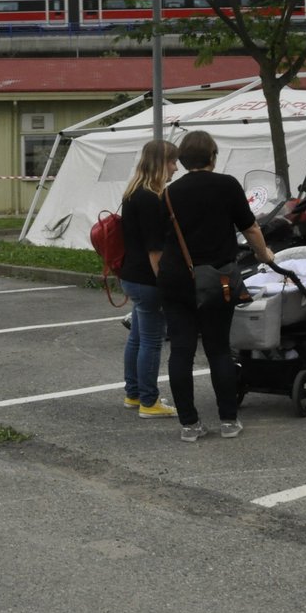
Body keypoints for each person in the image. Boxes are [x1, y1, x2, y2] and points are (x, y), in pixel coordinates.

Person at [155, 130, 277, 442]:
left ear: (182, 159)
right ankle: (227, 420)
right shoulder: (227, 185)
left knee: (180, 350)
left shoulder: (168, 193)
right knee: (218, 349)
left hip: (175, 279)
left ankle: (190, 424)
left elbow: (160, 240)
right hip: (217, 280)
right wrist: (266, 254)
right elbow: (249, 227)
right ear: (212, 156)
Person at [119, 140, 179, 419]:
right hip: (148, 278)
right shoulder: (151, 199)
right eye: (171, 162)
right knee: (152, 341)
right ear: (160, 164)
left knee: (137, 338)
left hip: (130, 274)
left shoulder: (132, 192)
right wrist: (165, 284)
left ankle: (133, 393)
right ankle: (149, 401)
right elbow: (155, 249)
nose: (175, 168)